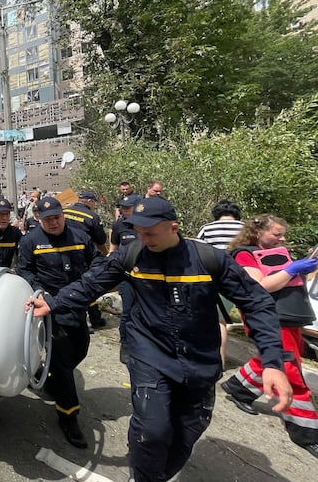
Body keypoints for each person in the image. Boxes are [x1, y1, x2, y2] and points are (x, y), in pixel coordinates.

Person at [26, 197, 292, 481]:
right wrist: (54, 303)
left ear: (173, 227)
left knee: (187, 433)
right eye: (139, 232)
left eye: (150, 232)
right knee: (151, 431)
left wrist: (273, 362)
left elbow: (257, 303)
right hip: (149, 354)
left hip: (199, 361)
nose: (143, 238)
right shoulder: (130, 256)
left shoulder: (209, 259)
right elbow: (90, 283)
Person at [220, 214, 318, 458]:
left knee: (273, 358)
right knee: (289, 368)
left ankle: (238, 388)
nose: (282, 238)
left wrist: (303, 265)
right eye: (277, 234)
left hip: (287, 314)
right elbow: (260, 286)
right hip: (266, 316)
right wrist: (293, 269)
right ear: (257, 232)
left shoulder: (274, 252)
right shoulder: (244, 254)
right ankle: (306, 432)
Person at [16, 196, 104, 448]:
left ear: (63, 215)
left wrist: (90, 282)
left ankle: (50, 378)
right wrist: (39, 290)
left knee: (81, 349)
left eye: (57, 217)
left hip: (77, 305)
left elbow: (97, 260)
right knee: (64, 364)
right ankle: (68, 414)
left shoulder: (79, 236)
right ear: (38, 219)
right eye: (47, 219)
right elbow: (25, 270)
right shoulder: (30, 241)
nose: (53, 223)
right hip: (51, 311)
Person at [197, 200, 245, 367]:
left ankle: (217, 362)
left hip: (211, 278)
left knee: (215, 321)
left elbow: (198, 253)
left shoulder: (207, 228)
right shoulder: (246, 229)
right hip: (239, 278)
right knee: (221, 320)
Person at [64, 190, 109, 329]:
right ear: (90, 201)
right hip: (83, 255)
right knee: (88, 286)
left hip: (64, 254)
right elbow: (101, 239)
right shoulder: (92, 216)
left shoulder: (64, 212)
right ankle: (95, 319)